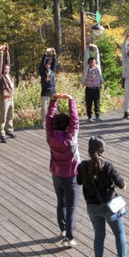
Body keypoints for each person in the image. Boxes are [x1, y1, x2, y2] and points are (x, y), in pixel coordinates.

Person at [77, 135, 129, 257]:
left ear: (89, 151)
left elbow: (78, 182)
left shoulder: (82, 166)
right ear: (103, 151)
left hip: (92, 208)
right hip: (110, 207)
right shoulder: (108, 166)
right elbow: (123, 185)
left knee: (99, 235)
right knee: (119, 234)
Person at [46, 93, 80, 247]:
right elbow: (75, 121)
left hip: (56, 174)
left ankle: (63, 230)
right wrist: (71, 100)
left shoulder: (51, 137)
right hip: (71, 176)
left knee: (61, 203)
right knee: (71, 206)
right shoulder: (70, 139)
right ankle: (70, 237)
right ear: (67, 126)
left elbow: (48, 119)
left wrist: (53, 100)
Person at [0, 44, 16, 143]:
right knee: (3, 117)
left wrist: (7, 52)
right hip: (4, 99)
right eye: (5, 69)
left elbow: (7, 63)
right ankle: (2, 133)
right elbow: (0, 66)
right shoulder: (1, 77)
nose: (6, 70)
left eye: (7, 69)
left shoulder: (8, 75)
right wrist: (0, 54)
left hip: (11, 98)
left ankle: (9, 130)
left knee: (10, 116)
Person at [82, 44, 103, 122]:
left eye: (93, 62)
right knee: (89, 103)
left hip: (96, 88)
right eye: (91, 62)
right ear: (89, 63)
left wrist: (96, 48)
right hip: (89, 89)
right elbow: (86, 57)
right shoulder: (86, 67)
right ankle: (89, 117)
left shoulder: (97, 67)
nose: (92, 63)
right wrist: (87, 49)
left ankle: (97, 116)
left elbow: (97, 57)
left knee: (97, 102)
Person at [39, 47, 57, 127]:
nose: (49, 65)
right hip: (45, 91)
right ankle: (44, 121)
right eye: (47, 64)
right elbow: (42, 63)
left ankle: (52, 121)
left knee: (53, 106)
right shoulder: (42, 71)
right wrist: (45, 53)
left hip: (52, 91)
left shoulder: (52, 70)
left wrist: (54, 53)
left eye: (50, 64)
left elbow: (54, 62)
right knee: (44, 108)